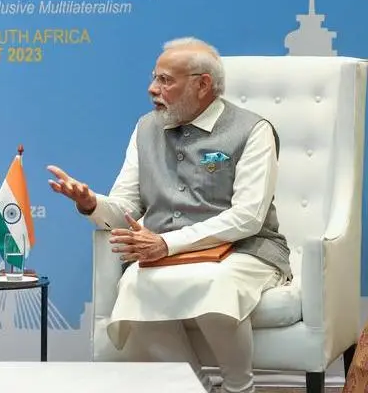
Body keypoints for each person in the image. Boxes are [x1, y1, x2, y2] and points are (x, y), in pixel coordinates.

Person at [47, 37, 291, 393]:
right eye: (154, 78)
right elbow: (127, 209)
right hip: (163, 252)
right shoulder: (146, 128)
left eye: (165, 80)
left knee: (216, 284)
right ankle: (196, 387)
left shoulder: (253, 130)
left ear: (202, 85)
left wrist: (166, 243)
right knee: (135, 285)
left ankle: (239, 387)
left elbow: (248, 217)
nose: (152, 89)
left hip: (245, 249)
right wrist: (91, 204)